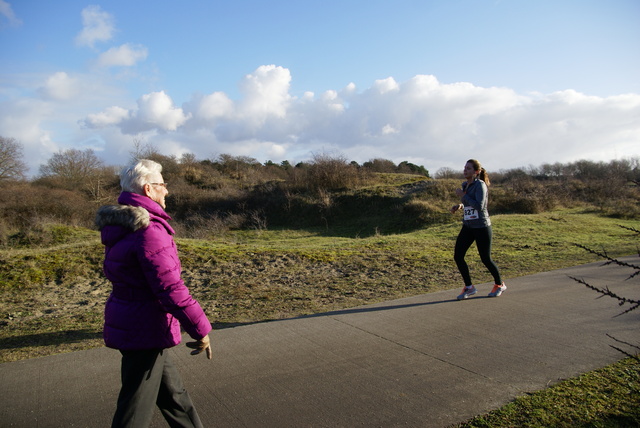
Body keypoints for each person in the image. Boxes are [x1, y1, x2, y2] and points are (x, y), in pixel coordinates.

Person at [95, 159, 213, 428]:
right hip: (144, 327)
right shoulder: (149, 232)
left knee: (174, 397)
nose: (167, 191)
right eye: (163, 185)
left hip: (137, 323)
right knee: (134, 410)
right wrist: (200, 328)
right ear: (149, 189)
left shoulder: (124, 225)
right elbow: (170, 288)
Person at [449, 159, 506, 300]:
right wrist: (460, 206)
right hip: (468, 226)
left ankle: (499, 284)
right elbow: (469, 203)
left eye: (468, 168)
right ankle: (469, 287)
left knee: (485, 258)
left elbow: (479, 206)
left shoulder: (480, 185)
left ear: (476, 171)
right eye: (464, 168)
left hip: (481, 226)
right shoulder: (465, 185)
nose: (465, 170)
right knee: (458, 256)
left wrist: (463, 196)